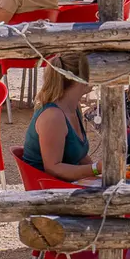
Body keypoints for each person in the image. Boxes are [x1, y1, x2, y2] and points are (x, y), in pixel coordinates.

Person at [23, 53, 98, 183]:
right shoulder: (53, 116)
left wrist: (101, 173)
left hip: (66, 184)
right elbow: (53, 168)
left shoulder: (74, 107)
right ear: (78, 79)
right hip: (46, 188)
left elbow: (80, 155)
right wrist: (96, 169)